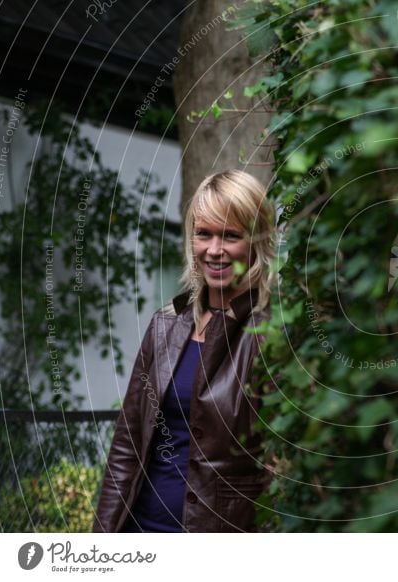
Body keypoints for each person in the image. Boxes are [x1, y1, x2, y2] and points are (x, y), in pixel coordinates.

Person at [93, 169, 276, 532]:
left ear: (255, 242)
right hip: (138, 529)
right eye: (203, 234)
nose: (214, 249)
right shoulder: (166, 325)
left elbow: (280, 468)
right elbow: (128, 446)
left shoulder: (271, 336)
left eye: (230, 236)